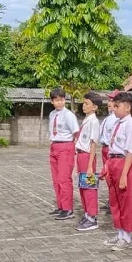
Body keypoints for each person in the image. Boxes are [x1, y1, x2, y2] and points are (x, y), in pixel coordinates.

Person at [101, 92, 132, 250]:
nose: (114, 109)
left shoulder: (131, 125)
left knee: (125, 201)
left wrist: (124, 174)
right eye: (114, 106)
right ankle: (119, 232)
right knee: (114, 200)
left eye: (117, 106)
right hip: (113, 161)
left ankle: (127, 236)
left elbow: (130, 151)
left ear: (128, 107)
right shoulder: (117, 123)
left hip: (124, 163)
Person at [48, 88, 80, 220]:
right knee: (56, 179)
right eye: (56, 100)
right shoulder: (52, 114)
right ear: (52, 101)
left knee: (64, 178)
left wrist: (74, 147)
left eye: (61, 100)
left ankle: (68, 209)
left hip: (65, 146)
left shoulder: (68, 115)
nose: (59, 103)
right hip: (54, 145)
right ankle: (61, 206)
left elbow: (76, 132)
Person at [74, 92, 103, 232]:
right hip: (81, 156)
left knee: (89, 187)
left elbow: (93, 144)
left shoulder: (94, 122)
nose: (84, 106)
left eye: (87, 104)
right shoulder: (86, 120)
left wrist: (91, 165)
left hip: (87, 156)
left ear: (95, 107)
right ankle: (87, 213)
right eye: (84, 103)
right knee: (83, 186)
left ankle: (92, 217)